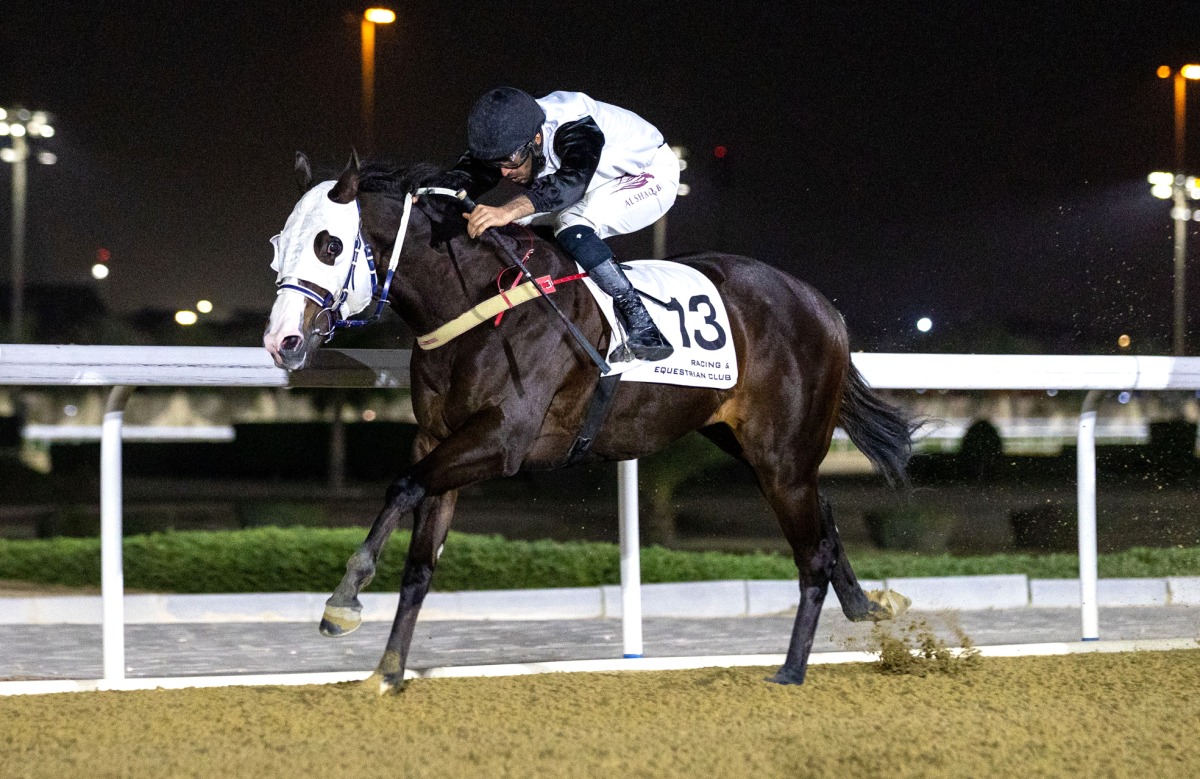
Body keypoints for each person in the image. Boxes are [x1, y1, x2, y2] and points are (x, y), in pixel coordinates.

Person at [446, 87, 679, 362]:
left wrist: (507, 210)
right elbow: (466, 175)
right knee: (515, 226)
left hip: (648, 173)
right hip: (597, 181)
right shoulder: (515, 136)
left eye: (510, 160)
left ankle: (642, 325)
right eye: (497, 162)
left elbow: (572, 183)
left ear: (535, 137)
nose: (505, 172)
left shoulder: (573, 125)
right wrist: (426, 193)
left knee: (570, 223)